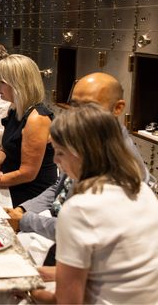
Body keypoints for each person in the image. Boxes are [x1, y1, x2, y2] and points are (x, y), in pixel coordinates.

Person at [30, 103, 158, 304]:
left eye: (60, 152)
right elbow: (117, 269)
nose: (55, 160)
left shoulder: (80, 208)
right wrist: (48, 273)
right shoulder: (143, 192)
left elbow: (67, 302)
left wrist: (27, 290)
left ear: (82, 154)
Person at [7, 72, 151, 241]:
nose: (77, 113)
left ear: (118, 108)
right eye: (74, 105)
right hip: (55, 223)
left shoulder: (119, 164)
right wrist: (23, 210)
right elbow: (61, 186)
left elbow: (81, 230)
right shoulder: (88, 138)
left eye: (89, 106)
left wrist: (26, 221)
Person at [0, 54, 57, 207]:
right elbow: (5, 147)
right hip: (10, 181)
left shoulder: (37, 119)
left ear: (17, 85)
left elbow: (28, 174)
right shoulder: (14, 108)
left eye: (1, 82)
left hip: (29, 193)